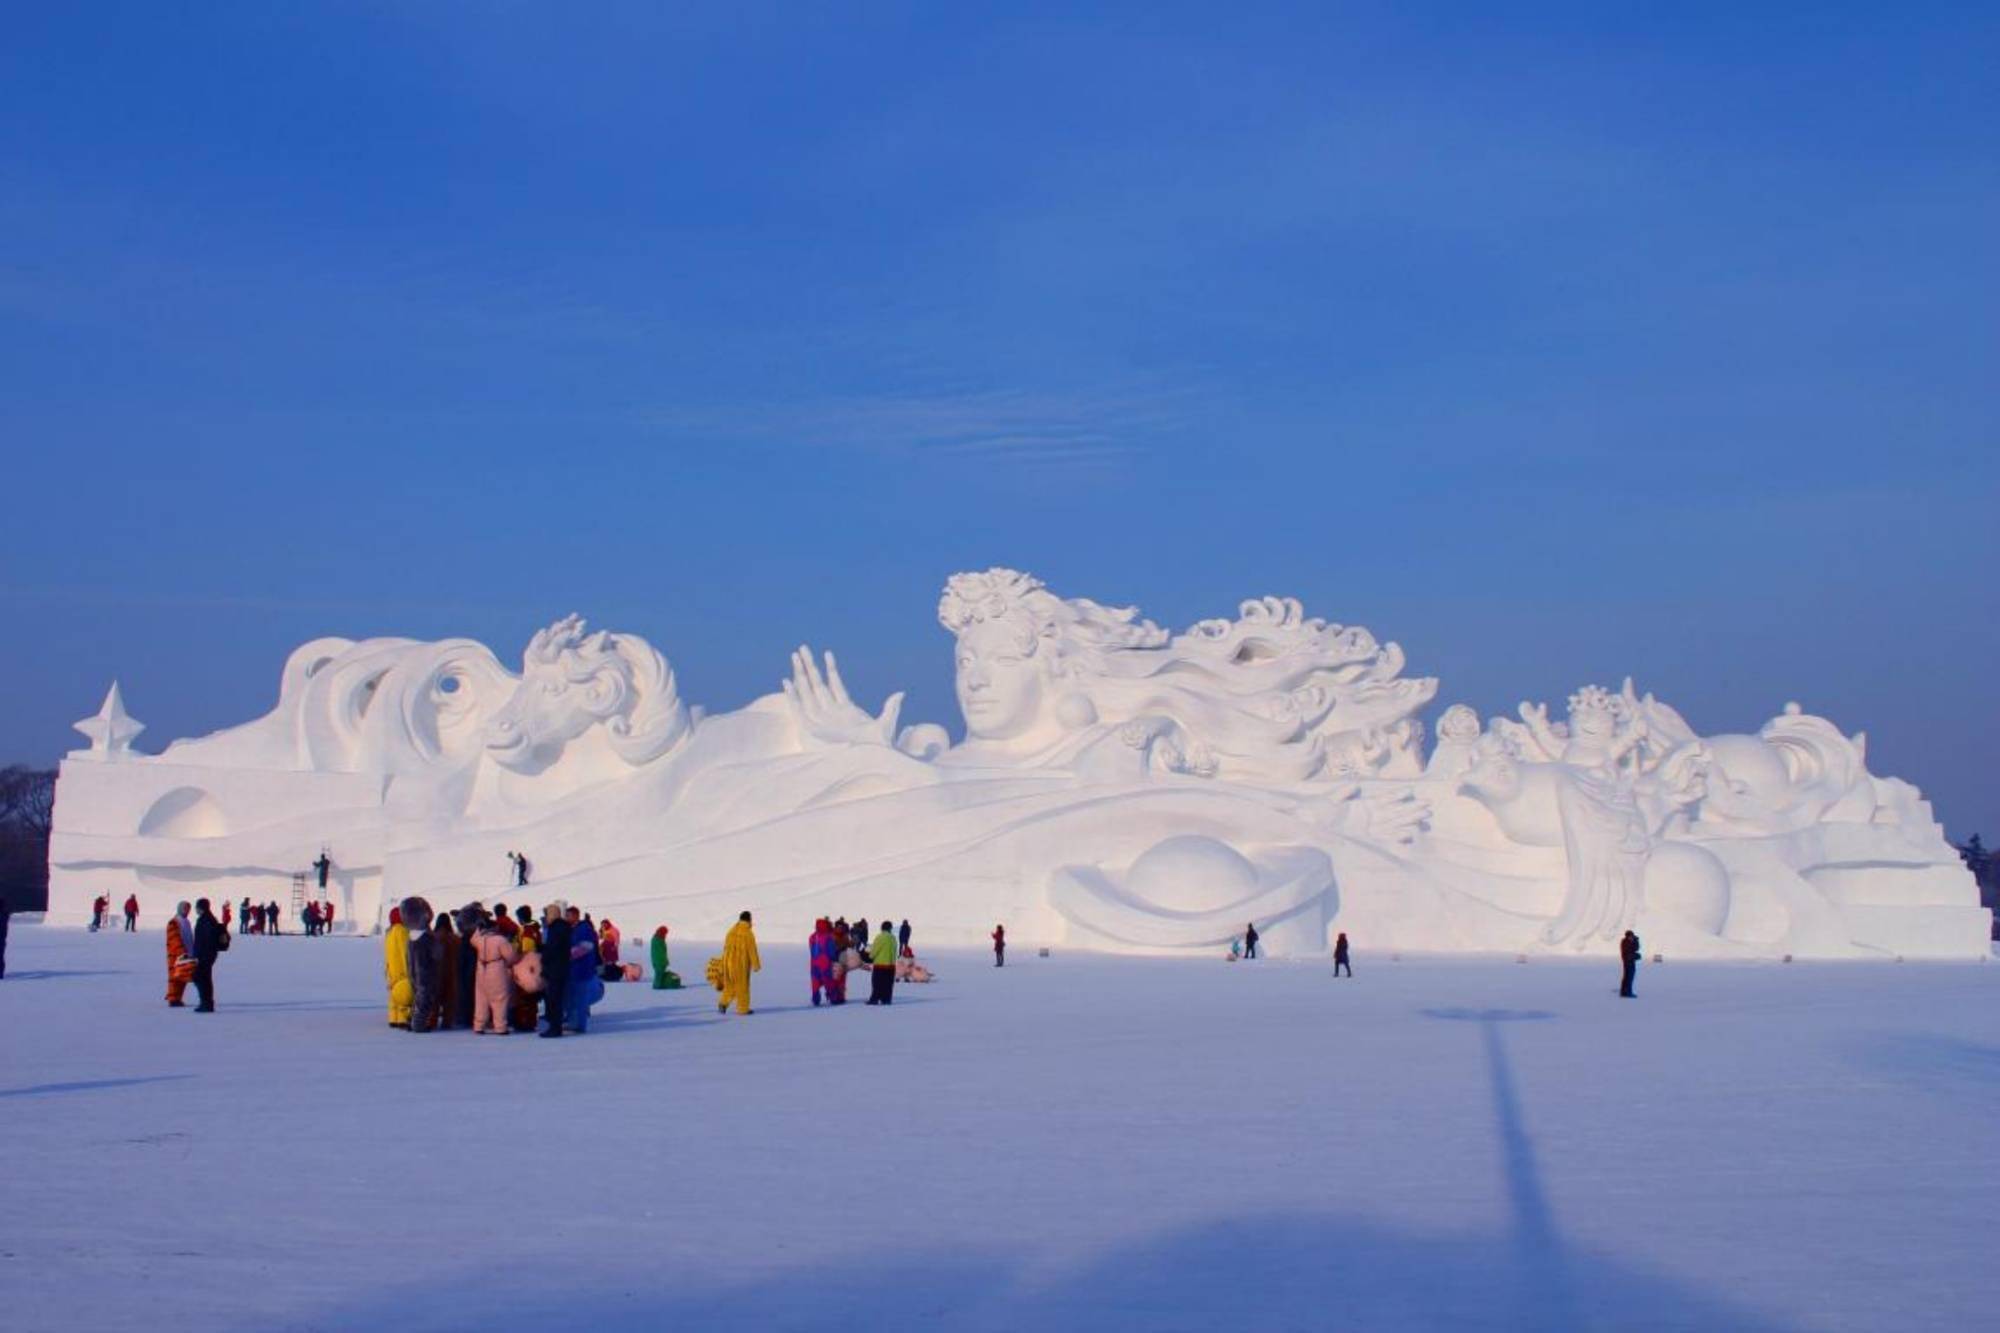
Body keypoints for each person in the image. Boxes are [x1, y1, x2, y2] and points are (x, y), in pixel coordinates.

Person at [472, 914, 518, 1034]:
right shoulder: (501, 940)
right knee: (499, 999)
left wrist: (478, 928)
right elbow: (511, 957)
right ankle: (500, 1027)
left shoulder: (479, 940)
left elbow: (472, 939)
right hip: (496, 969)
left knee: (481, 998)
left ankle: (478, 1025)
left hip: (481, 969)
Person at [405, 898, 442, 1032]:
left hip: (413, 971)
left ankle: (413, 1020)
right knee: (425, 997)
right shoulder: (428, 938)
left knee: (417, 995)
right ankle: (419, 1024)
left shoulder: (410, 937)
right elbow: (438, 954)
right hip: (427, 972)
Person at [539, 902, 573, 1038]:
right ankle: (555, 1026)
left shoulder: (555, 928)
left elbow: (552, 949)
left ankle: (554, 1028)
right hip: (562, 967)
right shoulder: (564, 927)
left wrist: (543, 957)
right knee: (557, 998)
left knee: (553, 999)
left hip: (554, 968)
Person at [565, 906, 600, 1034]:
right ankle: (573, 1022)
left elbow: (586, 946)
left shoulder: (584, 929)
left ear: (575, 916)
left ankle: (580, 1025)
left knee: (580, 998)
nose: (566, 918)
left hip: (582, 969)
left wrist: (567, 955)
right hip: (574, 969)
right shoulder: (573, 929)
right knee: (573, 997)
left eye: (568, 915)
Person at [719, 910, 761, 1015]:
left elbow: (726, 947)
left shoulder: (731, 930)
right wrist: (756, 965)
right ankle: (743, 1009)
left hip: (728, 963)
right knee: (742, 986)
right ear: (749, 919)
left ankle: (723, 1003)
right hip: (740, 965)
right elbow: (752, 950)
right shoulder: (748, 933)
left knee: (730, 985)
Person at [191, 897, 227, 1012]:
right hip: (206, 954)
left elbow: (206, 939)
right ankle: (206, 1002)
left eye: (197, 907)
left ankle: (206, 1003)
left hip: (205, 955)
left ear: (201, 908)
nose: (195, 909)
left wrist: (200, 954)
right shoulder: (208, 918)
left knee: (201, 978)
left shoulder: (206, 920)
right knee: (204, 978)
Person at [383, 906, 413, 1029]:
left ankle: (393, 1018)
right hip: (402, 970)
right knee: (404, 995)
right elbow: (405, 952)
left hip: (392, 971)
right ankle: (402, 1018)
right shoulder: (402, 931)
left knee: (394, 996)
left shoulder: (389, 933)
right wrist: (409, 968)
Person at [165, 901, 197, 1006]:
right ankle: (173, 998)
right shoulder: (174, 922)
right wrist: (181, 952)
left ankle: (178, 998)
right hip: (176, 955)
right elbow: (174, 939)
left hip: (187, 954)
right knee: (175, 977)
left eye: (188, 909)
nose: (187, 911)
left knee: (182, 977)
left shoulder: (186, 921)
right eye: (185, 908)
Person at [435, 911, 463, 1028]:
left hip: (435, 973)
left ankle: (431, 1021)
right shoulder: (456, 939)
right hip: (452, 972)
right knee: (449, 999)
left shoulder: (432, 937)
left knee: (434, 999)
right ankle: (447, 1023)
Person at [866, 918, 899, 1005]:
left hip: (880, 965)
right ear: (890, 928)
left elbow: (875, 950)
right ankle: (886, 999)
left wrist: (870, 956)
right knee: (888, 984)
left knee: (877, 983)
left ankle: (875, 999)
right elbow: (895, 951)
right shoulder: (893, 938)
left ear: (882, 928)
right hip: (891, 965)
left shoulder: (880, 937)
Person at [809, 918, 835, 1006]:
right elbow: (831, 951)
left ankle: (816, 1000)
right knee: (828, 981)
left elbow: (811, 950)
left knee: (815, 982)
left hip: (814, 963)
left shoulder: (812, 937)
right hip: (825, 963)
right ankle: (832, 998)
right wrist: (833, 958)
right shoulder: (828, 937)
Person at [650, 925, 677, 990]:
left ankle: (658, 984)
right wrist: (665, 961)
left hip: (656, 960)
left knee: (659, 974)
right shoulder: (659, 940)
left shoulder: (656, 939)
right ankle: (657, 986)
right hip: (660, 961)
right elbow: (661, 953)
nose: (666, 935)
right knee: (659, 974)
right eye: (665, 933)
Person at [1619, 929, 1641, 998]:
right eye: (1631, 936)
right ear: (1628, 936)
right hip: (1628, 962)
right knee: (1629, 977)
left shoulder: (1629, 942)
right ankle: (1627, 992)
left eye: (1632, 936)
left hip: (1630, 962)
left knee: (1627, 977)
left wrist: (1636, 941)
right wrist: (1635, 956)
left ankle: (1624, 992)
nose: (1632, 937)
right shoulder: (1626, 942)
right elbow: (1628, 954)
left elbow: (1636, 948)